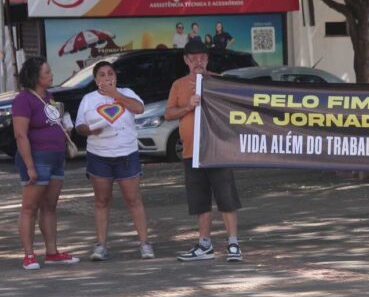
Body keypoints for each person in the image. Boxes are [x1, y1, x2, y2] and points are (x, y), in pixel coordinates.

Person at [165, 41, 243, 262]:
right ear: (186, 60)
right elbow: (169, 114)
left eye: (202, 58)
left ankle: (233, 244)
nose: (198, 62)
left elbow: (233, 111)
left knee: (226, 198)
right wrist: (188, 106)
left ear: (207, 60)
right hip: (191, 152)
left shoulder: (218, 81)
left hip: (217, 149)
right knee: (200, 201)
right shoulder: (178, 85)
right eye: (193, 58)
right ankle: (205, 244)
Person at [75, 61, 155, 260]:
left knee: (133, 200)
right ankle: (101, 245)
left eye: (110, 74)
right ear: (95, 80)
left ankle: (145, 244)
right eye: (101, 75)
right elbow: (79, 127)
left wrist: (116, 95)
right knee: (102, 201)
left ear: (116, 77)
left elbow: (139, 109)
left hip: (126, 154)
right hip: (99, 155)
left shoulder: (127, 93)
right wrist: (91, 129)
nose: (107, 78)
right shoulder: (88, 99)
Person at [11, 57, 80, 270]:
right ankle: (29, 255)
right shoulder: (23, 99)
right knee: (30, 207)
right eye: (47, 72)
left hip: (56, 157)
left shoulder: (48, 97)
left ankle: (52, 252)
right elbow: (21, 135)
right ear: (35, 77)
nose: (51, 75)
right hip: (37, 158)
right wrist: (30, 165)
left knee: (50, 206)